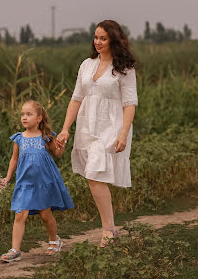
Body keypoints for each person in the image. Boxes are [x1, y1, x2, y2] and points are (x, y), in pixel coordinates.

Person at [56, 20, 138, 247]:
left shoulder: (125, 68)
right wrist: (65, 129)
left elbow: (130, 103)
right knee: (94, 178)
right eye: (95, 37)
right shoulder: (87, 64)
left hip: (111, 126)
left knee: (94, 174)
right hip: (86, 125)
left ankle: (107, 231)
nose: (98, 42)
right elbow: (76, 98)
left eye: (103, 38)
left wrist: (123, 134)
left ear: (113, 39)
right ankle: (111, 228)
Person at [0, 100, 74, 262]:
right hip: (24, 183)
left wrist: (62, 143)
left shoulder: (46, 137)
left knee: (45, 215)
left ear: (39, 118)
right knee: (20, 215)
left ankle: (54, 240)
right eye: (22, 114)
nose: (24, 117)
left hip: (43, 182)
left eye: (29, 114)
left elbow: (58, 154)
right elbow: (14, 159)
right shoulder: (19, 138)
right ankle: (15, 250)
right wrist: (8, 177)